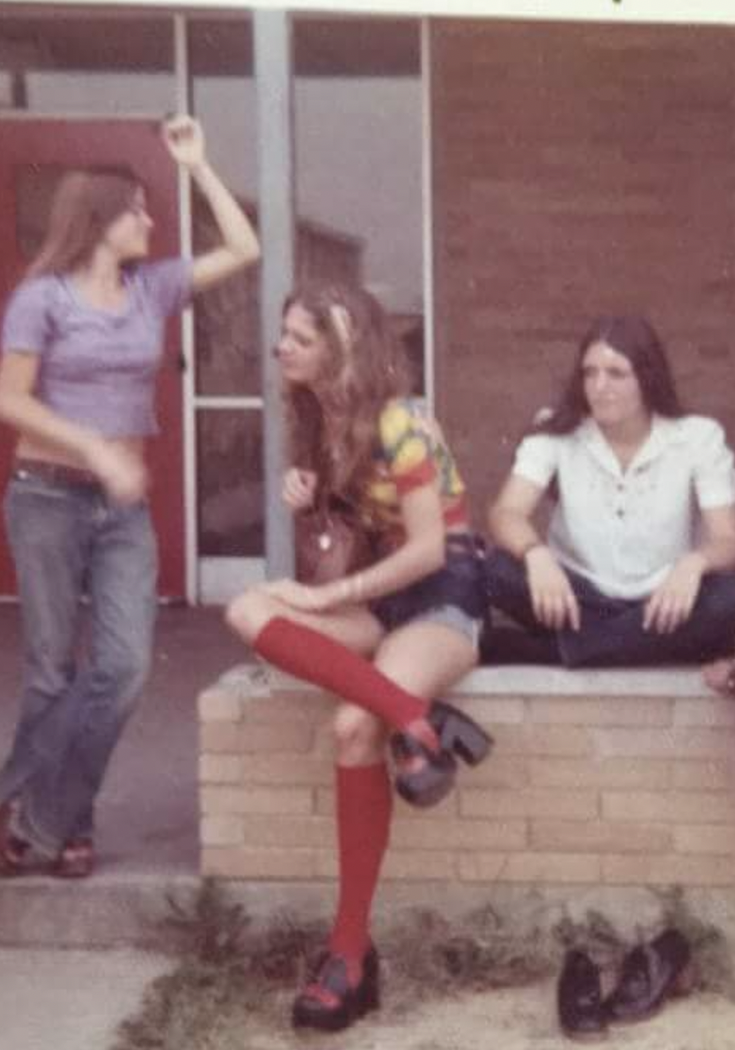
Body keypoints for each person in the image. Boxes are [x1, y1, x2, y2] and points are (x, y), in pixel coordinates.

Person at [0, 116, 260, 879]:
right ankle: (66, 827)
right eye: (138, 209)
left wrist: (198, 166)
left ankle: (9, 799)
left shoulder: (151, 288)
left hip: (121, 511)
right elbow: (11, 403)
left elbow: (245, 249)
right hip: (47, 499)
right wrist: (92, 446)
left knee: (122, 666)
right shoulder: (42, 299)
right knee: (53, 672)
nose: (151, 221)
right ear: (100, 220)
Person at [225, 282, 493, 1034]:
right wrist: (310, 503)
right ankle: (415, 716)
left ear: (343, 348)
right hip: (375, 600)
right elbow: (332, 550)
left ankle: (349, 956)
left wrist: (327, 595)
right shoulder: (315, 422)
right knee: (245, 607)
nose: (282, 349)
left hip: (442, 594)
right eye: (284, 334)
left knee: (352, 728)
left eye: (299, 338)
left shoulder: (403, 424)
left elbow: (429, 550)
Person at [483, 314, 735, 668]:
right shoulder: (556, 431)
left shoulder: (697, 437)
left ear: (647, 377)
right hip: (575, 596)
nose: (599, 386)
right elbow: (506, 513)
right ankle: (635, 647)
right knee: (496, 569)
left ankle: (558, 651)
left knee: (732, 598)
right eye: (590, 373)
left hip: (662, 600)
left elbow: (730, 540)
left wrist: (692, 565)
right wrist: (536, 555)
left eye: (616, 373)